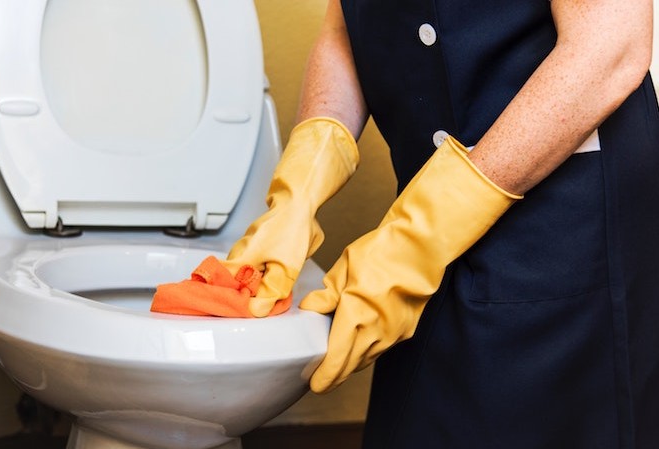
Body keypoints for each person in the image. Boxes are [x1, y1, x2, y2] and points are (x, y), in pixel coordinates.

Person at [222, 0, 659, 447]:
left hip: (561, 216)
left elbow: (611, 45)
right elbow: (346, 27)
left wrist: (415, 239)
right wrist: (303, 182)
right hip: (429, 214)